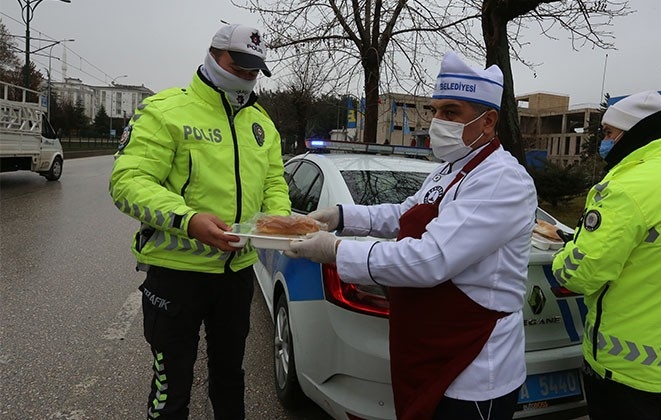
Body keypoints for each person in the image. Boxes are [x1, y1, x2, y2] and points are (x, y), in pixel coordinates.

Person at [286, 51, 537, 420]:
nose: (438, 122)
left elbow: (430, 260)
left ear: (488, 121)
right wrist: (340, 216)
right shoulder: (448, 170)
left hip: (472, 365)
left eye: (451, 113)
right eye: (435, 111)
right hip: (428, 350)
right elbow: (404, 214)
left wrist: (336, 251)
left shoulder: (501, 179)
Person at [109, 23, 290, 420]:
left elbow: (274, 181)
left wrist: (276, 220)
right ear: (212, 56)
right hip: (176, 275)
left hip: (237, 274)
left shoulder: (261, 124)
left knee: (230, 378)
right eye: (237, 66)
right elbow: (128, 182)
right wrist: (188, 221)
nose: (245, 76)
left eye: (253, 70)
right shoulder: (166, 110)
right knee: (171, 387)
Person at [552, 91, 661, 420]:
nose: (605, 143)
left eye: (609, 134)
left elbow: (580, 274)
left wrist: (565, 252)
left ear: (636, 132)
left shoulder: (627, 188)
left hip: (627, 367)